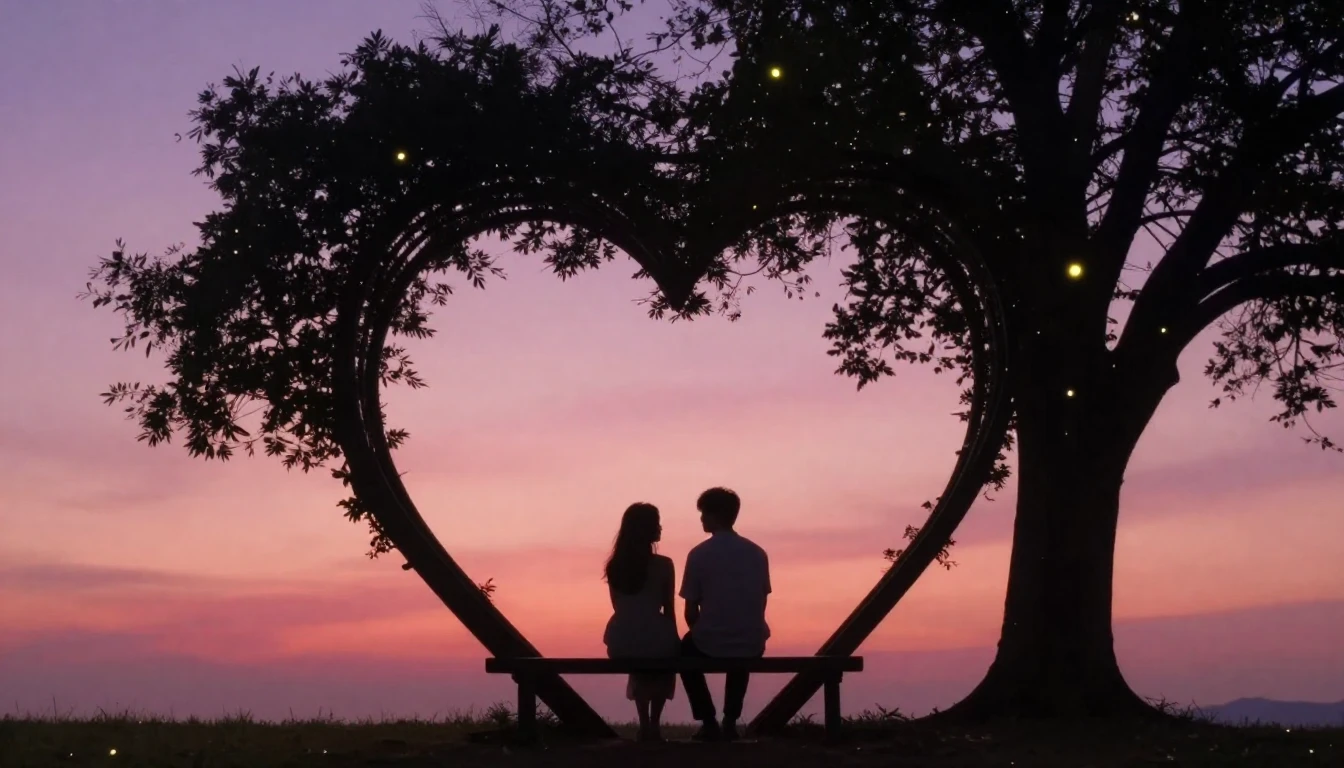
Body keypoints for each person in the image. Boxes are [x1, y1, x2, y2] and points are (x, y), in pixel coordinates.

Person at [678, 487, 771, 742]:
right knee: (743, 646)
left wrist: (701, 631)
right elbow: (760, 602)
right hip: (751, 640)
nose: (701, 519)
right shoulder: (757, 553)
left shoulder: (698, 554)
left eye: (703, 513)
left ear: (714, 515)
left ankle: (708, 722)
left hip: (710, 641)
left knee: (683, 652)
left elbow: (689, 611)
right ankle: (730, 721)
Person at [603, 502, 680, 742]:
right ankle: (654, 724)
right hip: (655, 634)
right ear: (648, 529)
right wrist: (673, 638)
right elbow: (668, 607)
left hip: (621, 638)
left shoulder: (615, 565)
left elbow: (618, 607)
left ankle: (644, 723)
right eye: (657, 523)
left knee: (640, 653)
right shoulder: (664, 564)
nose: (661, 528)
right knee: (662, 655)